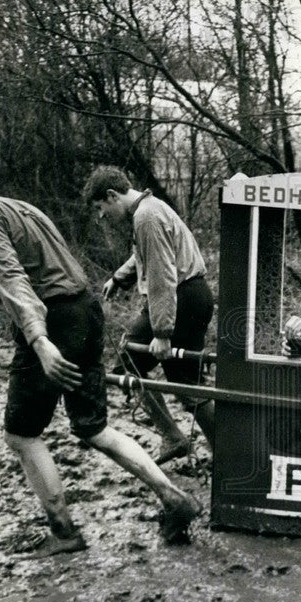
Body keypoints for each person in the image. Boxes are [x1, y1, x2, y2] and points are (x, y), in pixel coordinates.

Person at [0, 168, 200, 557]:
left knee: (21, 435)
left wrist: (40, 340)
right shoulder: (16, 205)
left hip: (54, 321)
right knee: (93, 427)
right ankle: (174, 497)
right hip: (85, 311)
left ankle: (63, 532)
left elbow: (14, 282)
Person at [82, 165, 216, 466]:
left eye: (101, 208)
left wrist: (162, 333)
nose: (102, 216)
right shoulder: (151, 208)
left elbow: (160, 275)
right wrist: (119, 278)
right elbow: (147, 255)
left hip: (180, 299)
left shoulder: (145, 217)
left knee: (126, 365)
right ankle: (228, 452)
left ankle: (173, 437)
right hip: (194, 297)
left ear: (113, 195)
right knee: (187, 380)